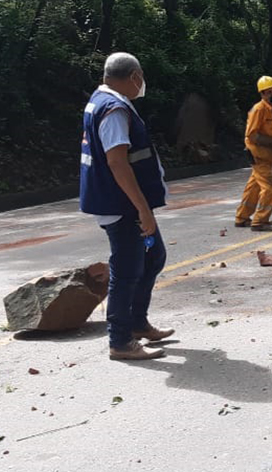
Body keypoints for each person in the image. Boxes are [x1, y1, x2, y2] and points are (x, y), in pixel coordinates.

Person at [79, 52, 174, 360]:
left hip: (123, 202)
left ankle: (137, 323)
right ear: (134, 76)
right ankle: (120, 341)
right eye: (141, 77)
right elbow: (118, 162)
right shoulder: (114, 109)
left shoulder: (102, 99)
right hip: (121, 205)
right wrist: (143, 209)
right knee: (128, 268)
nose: (142, 83)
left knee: (153, 255)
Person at [235, 76, 272, 231]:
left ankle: (242, 218)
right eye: (270, 91)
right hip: (258, 155)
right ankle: (260, 221)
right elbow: (252, 135)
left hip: (268, 155)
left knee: (254, 186)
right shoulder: (258, 109)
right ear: (263, 93)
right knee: (270, 188)